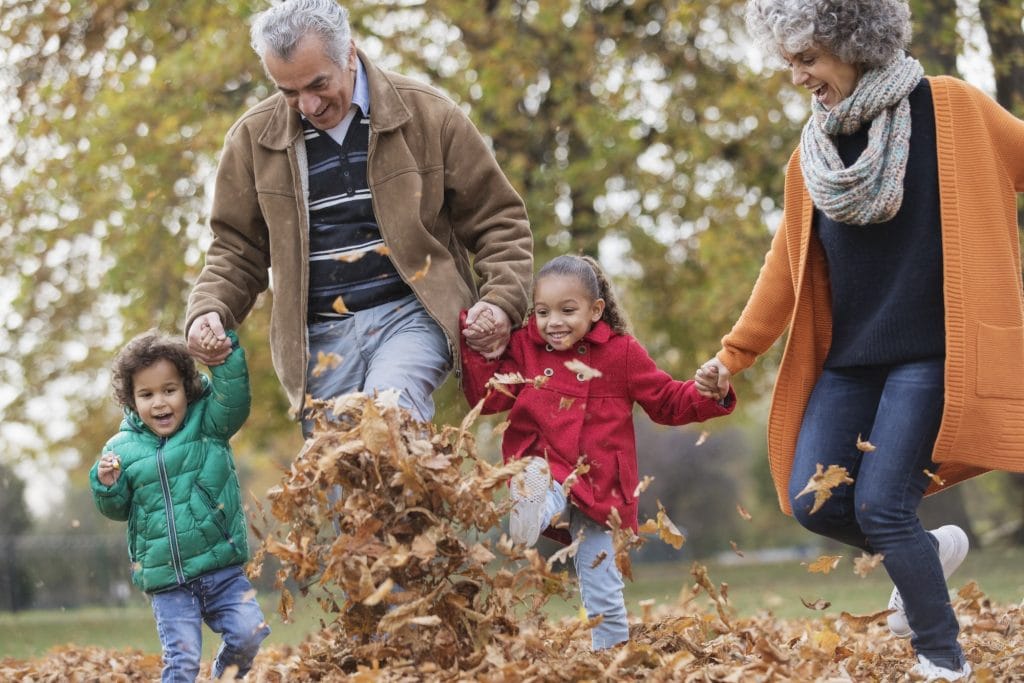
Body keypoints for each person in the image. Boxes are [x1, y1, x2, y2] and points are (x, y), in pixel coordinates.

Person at [695, 1, 1024, 679]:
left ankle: (942, 658)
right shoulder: (811, 157)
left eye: (808, 59)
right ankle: (925, 554)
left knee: (881, 504)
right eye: (789, 62)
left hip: (932, 356)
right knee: (816, 499)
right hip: (851, 363)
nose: (797, 78)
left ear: (856, 40)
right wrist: (733, 355)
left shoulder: (955, 109)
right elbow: (781, 271)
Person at [185, 0, 533, 431]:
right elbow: (236, 250)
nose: (308, 105)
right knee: (339, 477)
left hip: (410, 316)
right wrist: (210, 309)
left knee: (388, 420)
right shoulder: (252, 141)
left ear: (349, 53)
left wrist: (501, 300)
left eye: (317, 84)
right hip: (320, 339)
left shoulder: (429, 114)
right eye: (289, 92)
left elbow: (498, 218)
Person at [461, 255, 736, 650]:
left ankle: (611, 658)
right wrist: (479, 352)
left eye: (567, 310)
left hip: (601, 486)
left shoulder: (622, 353)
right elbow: (490, 397)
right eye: (542, 312)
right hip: (544, 464)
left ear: (595, 310)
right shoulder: (525, 347)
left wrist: (710, 393)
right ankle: (530, 507)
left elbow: (665, 401)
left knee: (602, 580)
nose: (553, 322)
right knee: (543, 482)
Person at [90, 329, 269, 681]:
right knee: (182, 662)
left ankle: (224, 675)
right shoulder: (121, 449)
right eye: (147, 394)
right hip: (167, 580)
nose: (159, 403)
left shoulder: (208, 423)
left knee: (249, 633)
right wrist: (107, 485)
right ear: (131, 399)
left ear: (186, 388)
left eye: (169, 390)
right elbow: (117, 509)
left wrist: (224, 354)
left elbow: (234, 398)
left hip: (221, 567)